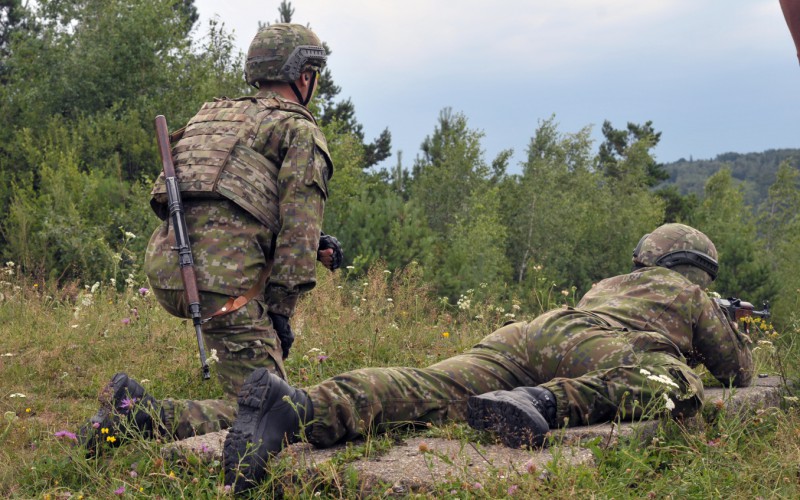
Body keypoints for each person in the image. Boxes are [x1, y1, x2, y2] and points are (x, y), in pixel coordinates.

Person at [80, 223, 753, 493]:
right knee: (673, 381)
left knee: (424, 384)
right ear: (699, 269)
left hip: (536, 330)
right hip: (592, 352)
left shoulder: (615, 282)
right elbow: (738, 375)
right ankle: (542, 406)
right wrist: (726, 322)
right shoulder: (688, 293)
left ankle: (291, 406)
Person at [79, 23, 341, 449]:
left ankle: (136, 414)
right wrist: (280, 312)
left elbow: (225, 201)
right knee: (276, 413)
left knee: (258, 402)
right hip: (223, 286)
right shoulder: (299, 131)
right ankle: (138, 415)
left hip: (170, 269)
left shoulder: (214, 115)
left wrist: (319, 241)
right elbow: (297, 232)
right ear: (304, 75)